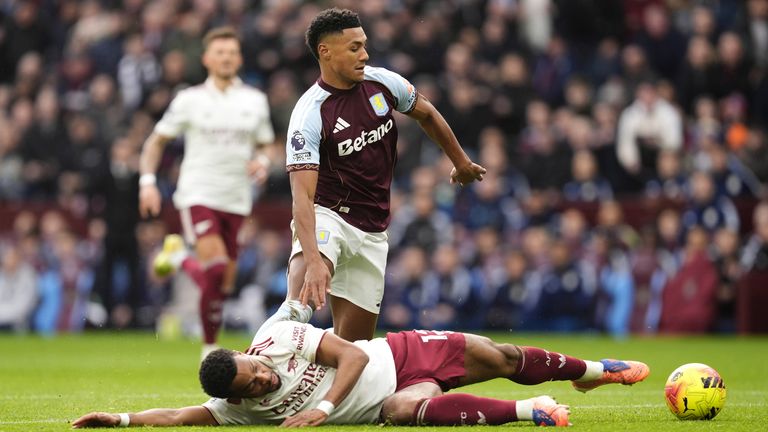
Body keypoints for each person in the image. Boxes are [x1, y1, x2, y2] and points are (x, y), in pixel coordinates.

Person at [262, 8, 487, 342]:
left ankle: (318, 373)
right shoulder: (310, 113)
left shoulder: (382, 82)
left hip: (373, 229)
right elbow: (302, 199)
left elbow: (427, 113)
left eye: (364, 45)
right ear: (326, 52)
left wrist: (461, 162)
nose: (364, 54)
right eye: (354, 48)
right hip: (330, 215)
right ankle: (252, 355)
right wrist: (313, 260)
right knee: (300, 302)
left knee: (355, 347)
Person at [72, 320, 650, 428]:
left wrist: (322, 409)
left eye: (256, 372)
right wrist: (119, 419)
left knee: (501, 357)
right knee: (401, 412)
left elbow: (351, 356)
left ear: (248, 353)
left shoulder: (277, 339)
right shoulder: (237, 409)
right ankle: (534, 413)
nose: (264, 381)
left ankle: (593, 371)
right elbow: (178, 416)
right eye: (254, 388)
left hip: (398, 354)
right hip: (393, 398)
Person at [137, 26, 279, 357]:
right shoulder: (189, 99)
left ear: (239, 59)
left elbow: (266, 145)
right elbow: (156, 142)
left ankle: (180, 260)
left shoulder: (255, 101)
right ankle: (210, 348)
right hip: (198, 192)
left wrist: (262, 161)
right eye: (220, 52)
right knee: (214, 269)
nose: (226, 58)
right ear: (206, 59)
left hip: (237, 198)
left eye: (231, 52)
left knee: (223, 284)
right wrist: (147, 182)